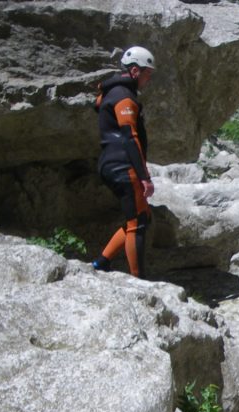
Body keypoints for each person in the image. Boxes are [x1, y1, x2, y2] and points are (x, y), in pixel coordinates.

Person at [92, 46, 156, 278]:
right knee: (137, 222)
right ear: (136, 71)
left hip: (111, 163)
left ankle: (102, 262)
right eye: (148, 74)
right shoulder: (123, 96)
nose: (149, 79)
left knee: (141, 217)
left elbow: (98, 106)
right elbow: (130, 137)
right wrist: (143, 177)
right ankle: (139, 281)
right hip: (123, 165)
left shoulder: (112, 93)